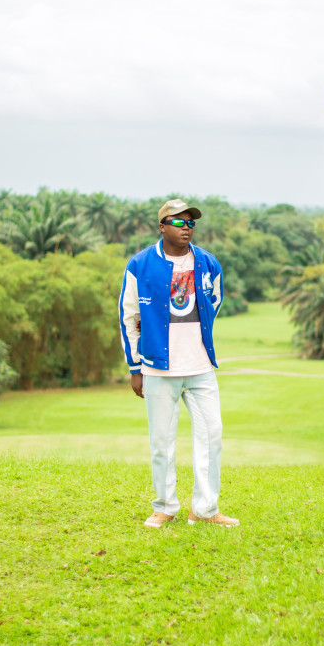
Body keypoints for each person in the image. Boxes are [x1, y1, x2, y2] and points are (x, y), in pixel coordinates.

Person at [119, 198, 239, 528]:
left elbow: (214, 300)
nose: (186, 228)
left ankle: (204, 509)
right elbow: (128, 317)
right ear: (162, 226)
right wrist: (135, 367)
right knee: (161, 442)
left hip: (200, 366)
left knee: (212, 435)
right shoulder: (140, 265)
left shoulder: (208, 262)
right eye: (179, 222)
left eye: (191, 223)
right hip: (158, 368)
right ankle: (164, 506)